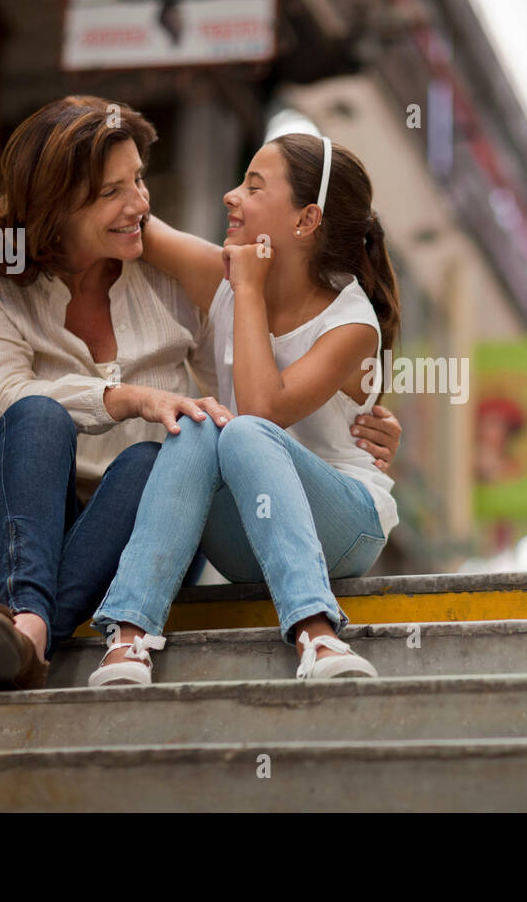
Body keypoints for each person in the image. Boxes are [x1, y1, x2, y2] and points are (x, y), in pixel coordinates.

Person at [0, 97, 403, 691]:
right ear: (56, 211)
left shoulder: (177, 277)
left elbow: (256, 407)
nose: (140, 206)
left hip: (134, 526)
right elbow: (6, 398)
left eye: (140, 181)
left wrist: (356, 413)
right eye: (112, 191)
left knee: (167, 449)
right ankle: (41, 622)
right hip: (18, 521)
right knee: (35, 413)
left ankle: (28, 632)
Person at [88, 132, 399, 685]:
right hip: (253, 534)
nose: (231, 196)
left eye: (253, 187)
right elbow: (115, 215)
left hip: (343, 527)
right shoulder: (224, 276)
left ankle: (316, 630)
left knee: (243, 429)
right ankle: (131, 636)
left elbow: (262, 409)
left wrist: (248, 291)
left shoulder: (350, 324)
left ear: (305, 222)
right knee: (199, 422)